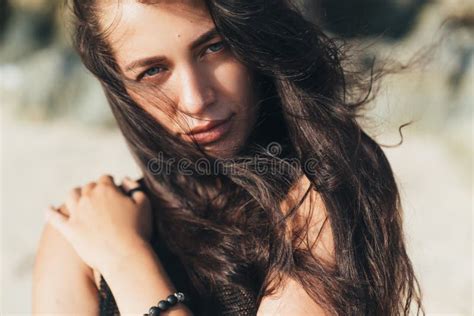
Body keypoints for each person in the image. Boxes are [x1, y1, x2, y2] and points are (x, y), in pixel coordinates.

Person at [32, 0, 423, 315]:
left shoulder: (324, 184)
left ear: (252, 36)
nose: (196, 98)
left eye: (214, 48)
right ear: (122, 88)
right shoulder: (81, 232)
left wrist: (125, 260)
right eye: (153, 71)